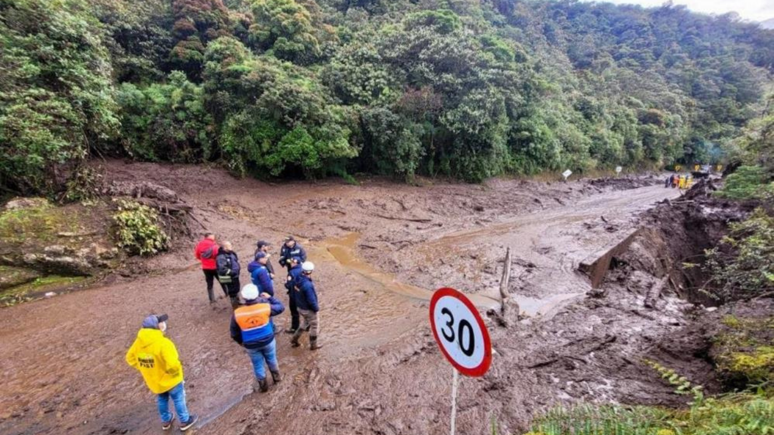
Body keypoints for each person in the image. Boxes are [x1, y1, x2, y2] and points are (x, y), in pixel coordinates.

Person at [126, 314, 198, 432]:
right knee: (179, 399)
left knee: (161, 399)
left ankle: (166, 420)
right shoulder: (164, 343)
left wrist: (145, 368)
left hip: (155, 381)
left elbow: (130, 358)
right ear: (157, 327)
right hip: (172, 379)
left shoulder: (138, 343)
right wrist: (173, 374)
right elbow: (173, 364)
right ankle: (185, 420)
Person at [230, 284, 285, 393]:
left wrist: (241, 342)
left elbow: (234, 333)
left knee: (258, 364)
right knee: (272, 359)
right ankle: (277, 378)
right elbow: (281, 307)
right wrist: (270, 297)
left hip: (250, 344)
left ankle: (263, 386)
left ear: (243, 297)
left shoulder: (237, 313)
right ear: (257, 295)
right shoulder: (265, 307)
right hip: (268, 340)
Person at [291, 261, 322, 350]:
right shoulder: (307, 285)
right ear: (310, 271)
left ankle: (294, 339)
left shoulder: (297, 278)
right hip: (308, 309)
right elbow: (311, 300)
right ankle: (313, 345)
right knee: (314, 326)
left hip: (300, 307)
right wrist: (316, 309)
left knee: (305, 323)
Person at [194, 232, 224, 303]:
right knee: (222, 280)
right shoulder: (214, 244)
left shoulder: (200, 244)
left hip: (205, 268)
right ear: (210, 236)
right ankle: (227, 293)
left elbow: (197, 255)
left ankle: (211, 299)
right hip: (215, 266)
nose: (214, 237)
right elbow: (219, 255)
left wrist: (203, 260)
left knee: (209, 283)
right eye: (213, 236)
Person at [216, 241, 241, 309]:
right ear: (225, 247)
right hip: (229, 277)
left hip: (235, 275)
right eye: (229, 246)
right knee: (232, 292)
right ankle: (235, 307)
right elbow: (222, 269)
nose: (231, 246)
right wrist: (231, 272)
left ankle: (238, 302)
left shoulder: (231, 253)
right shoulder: (221, 257)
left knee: (236, 289)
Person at [284, 257, 303, 334]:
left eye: (291, 263)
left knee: (294, 312)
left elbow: (289, 285)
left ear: (295, 263)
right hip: (302, 295)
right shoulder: (303, 270)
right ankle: (307, 326)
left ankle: (294, 328)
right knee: (305, 310)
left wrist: (285, 283)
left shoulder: (291, 273)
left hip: (294, 295)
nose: (290, 264)